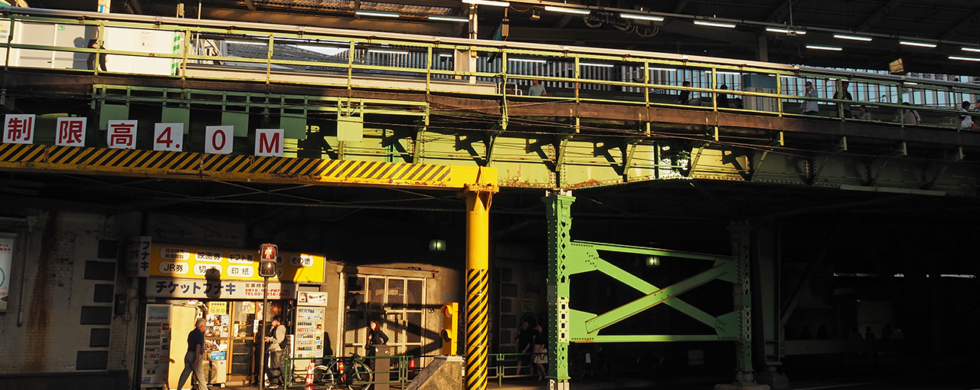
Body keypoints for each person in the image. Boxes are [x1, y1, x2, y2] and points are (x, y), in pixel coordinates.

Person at [176, 318, 208, 390]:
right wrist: (197, 359)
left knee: (185, 373)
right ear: (202, 326)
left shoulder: (191, 333)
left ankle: (179, 388)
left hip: (188, 354)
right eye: (205, 326)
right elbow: (198, 346)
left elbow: (189, 343)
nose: (205, 327)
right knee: (200, 376)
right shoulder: (200, 334)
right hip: (195, 355)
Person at [264, 315, 286, 388]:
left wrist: (270, 339)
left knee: (275, 366)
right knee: (276, 366)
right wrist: (272, 327)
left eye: (273, 320)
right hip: (275, 349)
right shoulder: (276, 328)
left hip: (276, 349)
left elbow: (278, 340)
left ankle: (274, 383)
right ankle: (281, 381)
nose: (272, 322)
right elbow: (271, 335)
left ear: (277, 321)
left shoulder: (280, 328)